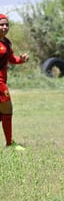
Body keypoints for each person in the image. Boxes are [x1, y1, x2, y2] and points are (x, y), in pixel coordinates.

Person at [0, 14, 29, 151]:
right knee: (7, 109)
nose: (4, 27)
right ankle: (10, 143)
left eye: (6, 24)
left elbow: (11, 59)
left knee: (3, 113)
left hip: (2, 81)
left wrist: (22, 59)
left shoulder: (6, 42)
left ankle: (9, 143)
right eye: (1, 24)